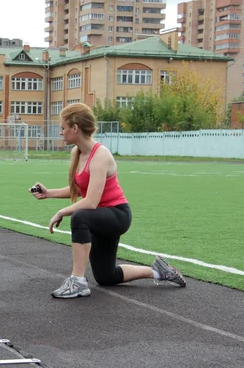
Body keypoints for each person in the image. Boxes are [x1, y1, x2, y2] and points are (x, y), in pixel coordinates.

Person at [30, 103, 185, 298]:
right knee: (106, 276)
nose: (61, 132)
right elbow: (80, 189)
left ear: (75, 128)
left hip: (117, 215)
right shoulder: (77, 153)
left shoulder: (100, 155)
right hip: (99, 217)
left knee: (79, 216)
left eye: (63, 128)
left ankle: (77, 281)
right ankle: (158, 271)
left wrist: (62, 212)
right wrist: (48, 193)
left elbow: (91, 202)